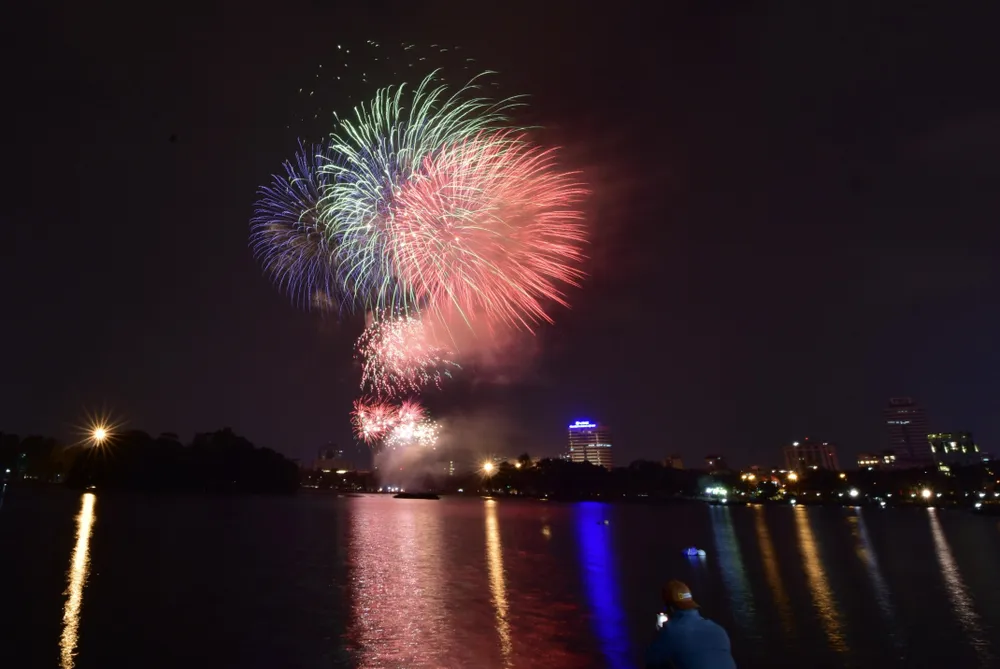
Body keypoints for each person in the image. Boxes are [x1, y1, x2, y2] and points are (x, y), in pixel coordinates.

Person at [645, 580, 737, 669]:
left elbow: (651, 661)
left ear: (670, 608)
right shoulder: (718, 630)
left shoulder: (670, 632)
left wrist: (659, 630)